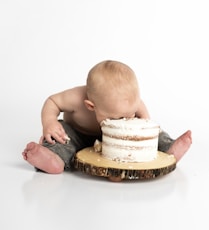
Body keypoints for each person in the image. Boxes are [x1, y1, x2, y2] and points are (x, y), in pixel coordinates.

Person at [22, 60, 192, 174]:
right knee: (61, 136)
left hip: (118, 140)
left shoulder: (127, 102)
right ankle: (52, 158)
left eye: (130, 113)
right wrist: (49, 122)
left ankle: (168, 148)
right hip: (78, 134)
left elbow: (140, 109)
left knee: (155, 131)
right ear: (91, 106)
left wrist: (144, 125)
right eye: (117, 118)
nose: (125, 120)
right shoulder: (75, 98)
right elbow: (52, 101)